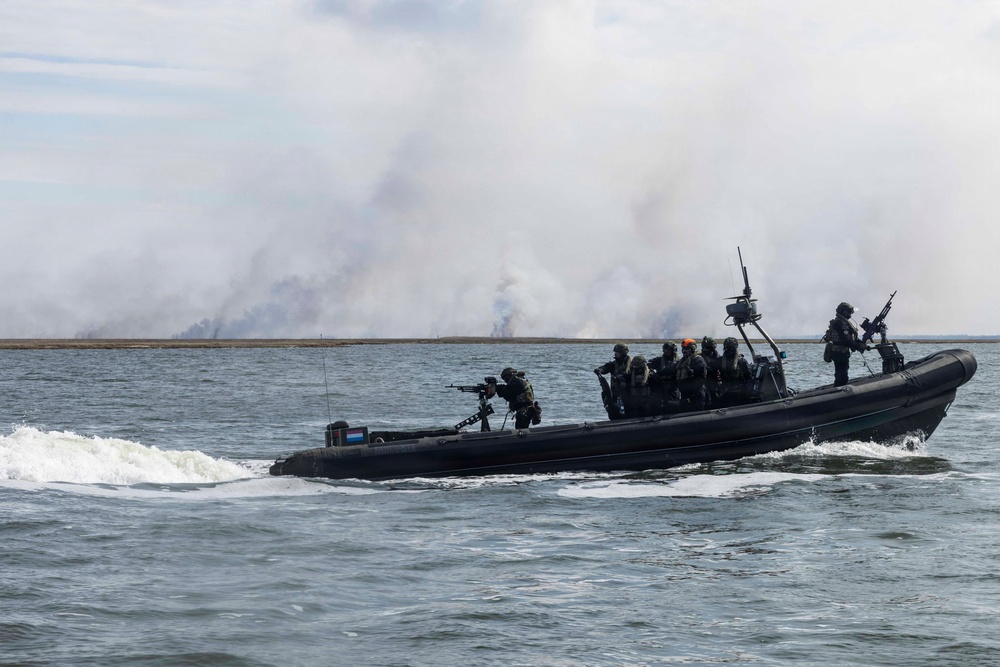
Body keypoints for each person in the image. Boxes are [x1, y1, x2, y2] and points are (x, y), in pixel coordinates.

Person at [823, 302, 869, 387]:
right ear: (844, 312)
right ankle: (838, 392)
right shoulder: (840, 323)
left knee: (842, 374)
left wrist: (861, 344)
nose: (850, 315)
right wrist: (859, 346)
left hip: (841, 352)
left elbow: (851, 339)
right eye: (849, 312)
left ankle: (838, 390)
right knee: (841, 376)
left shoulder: (842, 322)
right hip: (839, 353)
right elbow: (846, 341)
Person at [713, 336, 752, 407]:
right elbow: (711, 370)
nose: (726, 349)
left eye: (728, 347)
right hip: (725, 392)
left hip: (739, 392)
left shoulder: (741, 361)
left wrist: (747, 393)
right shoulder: (720, 361)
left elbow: (749, 378)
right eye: (725, 347)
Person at [675, 338, 708, 410]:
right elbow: (672, 368)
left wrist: (691, 394)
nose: (684, 351)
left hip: (696, 396)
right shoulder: (682, 361)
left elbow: (700, 380)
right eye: (683, 348)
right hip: (685, 395)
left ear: (692, 349)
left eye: (686, 348)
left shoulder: (698, 361)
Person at [648, 342, 680, 407]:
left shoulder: (678, 362)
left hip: (673, 387)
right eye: (665, 349)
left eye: (668, 350)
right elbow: (648, 365)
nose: (666, 351)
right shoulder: (659, 360)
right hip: (661, 385)